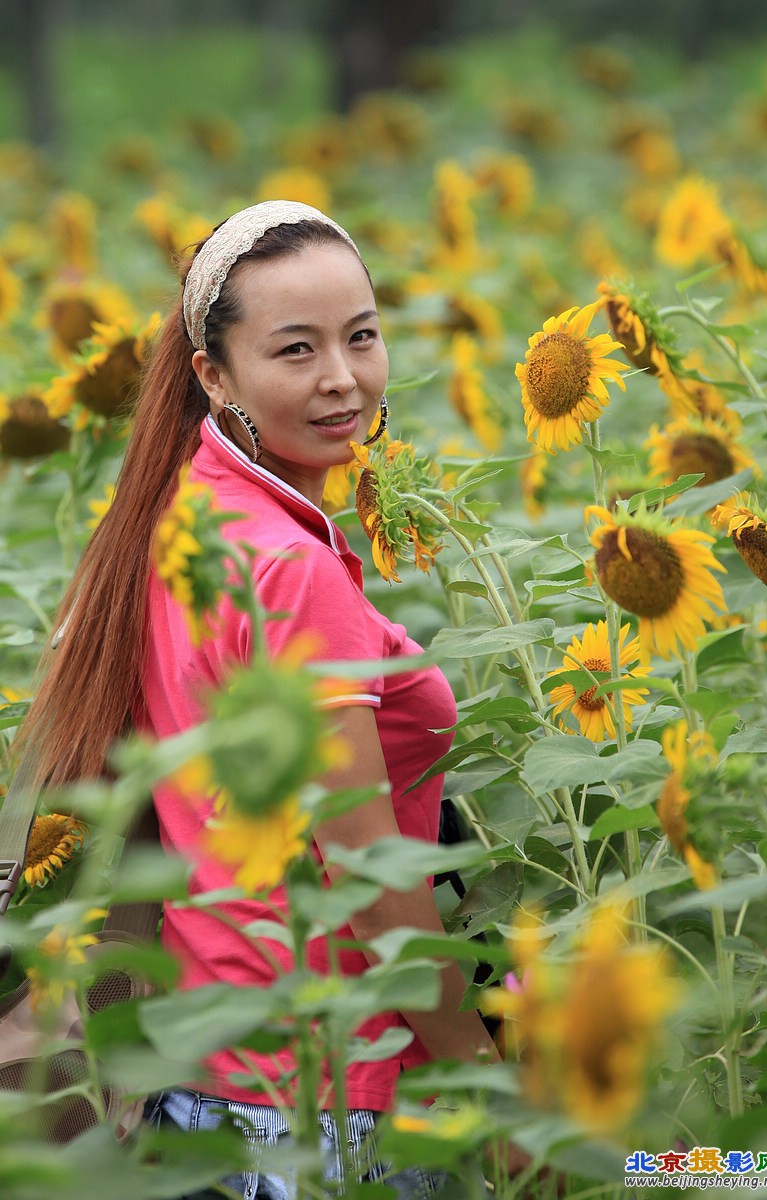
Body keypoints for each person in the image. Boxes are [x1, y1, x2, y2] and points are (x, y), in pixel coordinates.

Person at [18, 202, 524, 1197]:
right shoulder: (291, 573)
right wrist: (483, 1080)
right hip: (325, 1102)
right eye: (295, 350)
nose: (342, 378)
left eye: (361, 336)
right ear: (214, 374)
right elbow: (371, 879)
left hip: (208, 1085)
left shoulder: (185, 518)